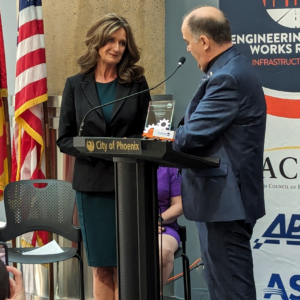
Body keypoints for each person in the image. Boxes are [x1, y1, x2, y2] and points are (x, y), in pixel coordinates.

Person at [173, 6, 266, 300]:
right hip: (221, 201)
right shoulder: (228, 69)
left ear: (204, 42)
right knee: (222, 287)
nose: (188, 49)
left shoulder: (228, 77)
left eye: (188, 41)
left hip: (225, 203)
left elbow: (190, 137)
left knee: (231, 291)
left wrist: (165, 136)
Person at [56, 13, 151, 300]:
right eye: (111, 40)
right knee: (101, 266)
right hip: (93, 187)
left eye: (122, 42)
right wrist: (93, 148)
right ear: (97, 42)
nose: (117, 47)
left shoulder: (137, 83)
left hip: (129, 187)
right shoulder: (76, 84)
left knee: (128, 265)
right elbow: (65, 138)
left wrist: (123, 147)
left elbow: (148, 133)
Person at [157, 166, 183, 292]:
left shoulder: (169, 168)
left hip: (164, 226)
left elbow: (179, 205)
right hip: (128, 225)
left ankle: (155, 294)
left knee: (164, 251)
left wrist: (156, 221)